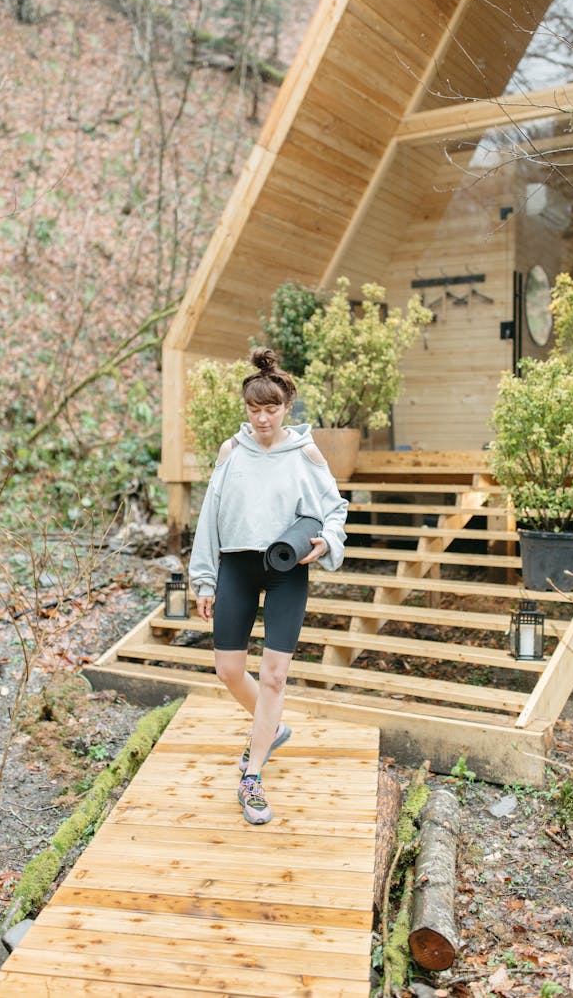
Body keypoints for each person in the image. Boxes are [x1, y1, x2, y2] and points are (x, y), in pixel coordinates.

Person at [188, 347, 348, 825]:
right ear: (247, 409)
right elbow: (208, 518)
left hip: (285, 570)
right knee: (228, 671)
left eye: (271, 409)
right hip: (236, 564)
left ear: (285, 408)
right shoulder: (230, 452)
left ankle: (252, 776)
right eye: (255, 409)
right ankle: (271, 726)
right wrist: (203, 578)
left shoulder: (305, 452)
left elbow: (335, 509)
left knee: (275, 674)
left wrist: (324, 542)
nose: (262, 418)